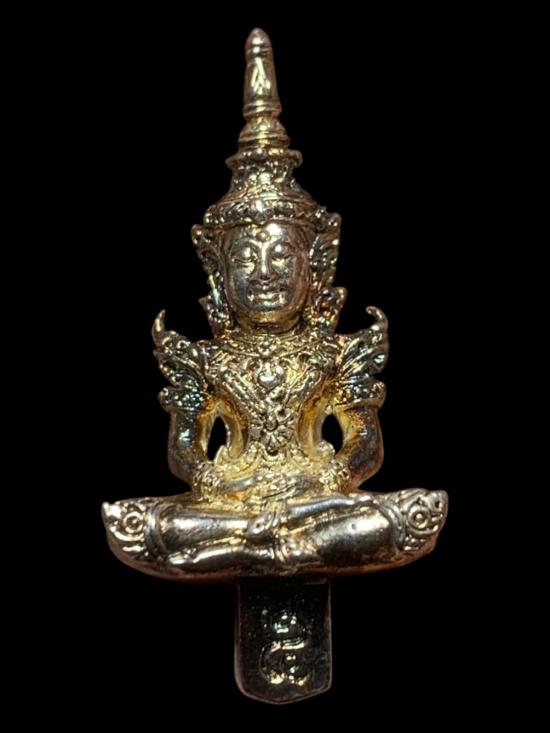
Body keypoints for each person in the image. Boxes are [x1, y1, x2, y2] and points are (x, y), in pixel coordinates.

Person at [102, 28, 447, 579]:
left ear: (317, 264)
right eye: (245, 260)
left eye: (283, 257)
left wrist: (323, 480)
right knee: (158, 523)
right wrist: (217, 481)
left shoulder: (334, 354)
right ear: (217, 269)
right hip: (229, 504)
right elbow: (185, 450)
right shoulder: (207, 360)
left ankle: (256, 548)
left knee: (385, 517)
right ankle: (277, 546)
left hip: (317, 498)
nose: (264, 274)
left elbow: (364, 447)